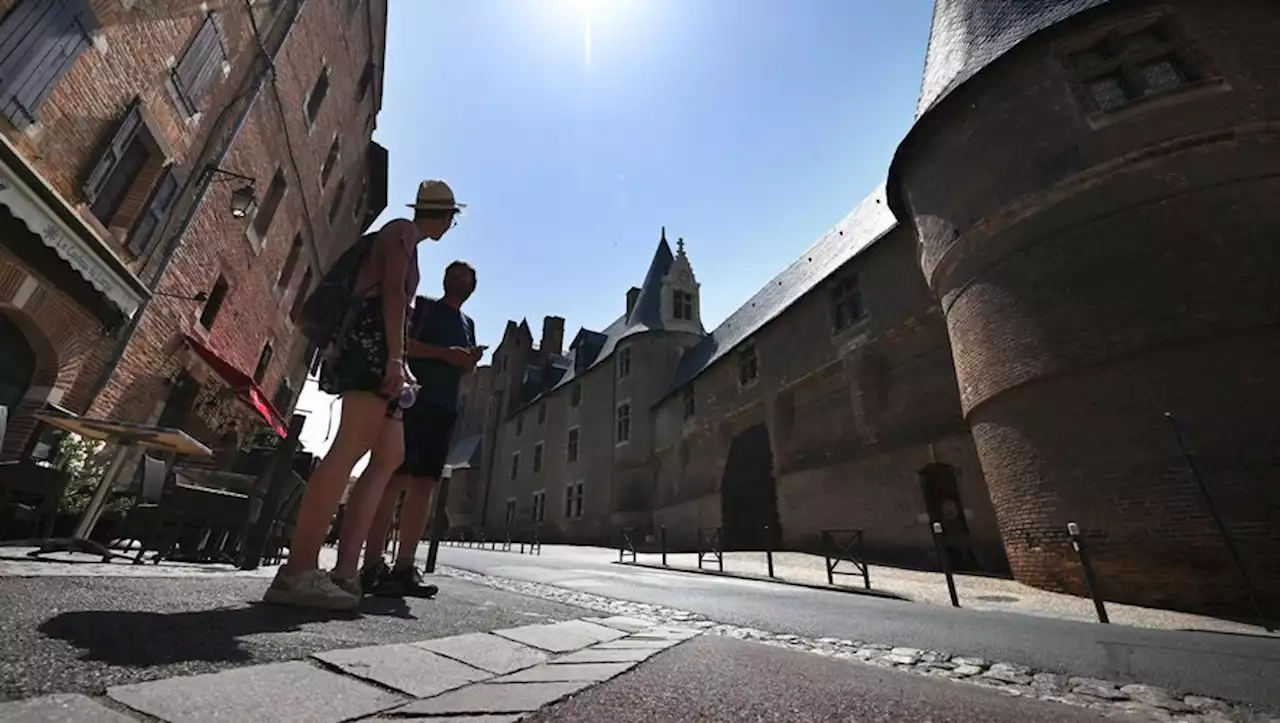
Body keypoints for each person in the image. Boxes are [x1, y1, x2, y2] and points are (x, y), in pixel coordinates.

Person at [263, 180, 464, 611]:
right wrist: (394, 360)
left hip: (385, 349)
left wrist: (403, 362)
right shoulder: (401, 232)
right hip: (370, 346)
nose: (450, 225)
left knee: (390, 457)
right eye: (451, 217)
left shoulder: (410, 242)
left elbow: (398, 303)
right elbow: (391, 294)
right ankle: (297, 571)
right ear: (444, 216)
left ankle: (345, 572)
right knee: (349, 448)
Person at [359, 261, 481, 598]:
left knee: (425, 486)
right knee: (394, 480)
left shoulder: (468, 323)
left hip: (445, 408)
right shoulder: (425, 308)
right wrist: (447, 354)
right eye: (455, 275)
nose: (460, 281)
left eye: (466, 278)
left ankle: (404, 566)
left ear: (473, 288)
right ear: (445, 280)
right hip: (414, 401)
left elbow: (463, 370)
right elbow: (403, 345)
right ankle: (371, 564)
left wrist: (467, 362)